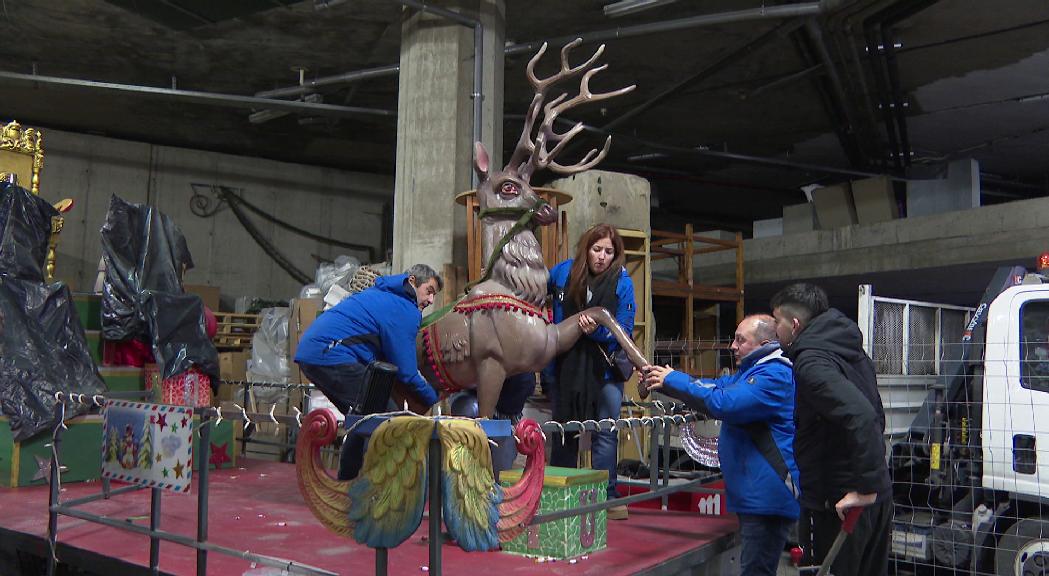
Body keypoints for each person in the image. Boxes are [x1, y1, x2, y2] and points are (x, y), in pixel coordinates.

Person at [642, 314, 799, 576]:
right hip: (756, 495)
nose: (733, 346)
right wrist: (666, 381)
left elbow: (724, 402)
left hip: (767, 497)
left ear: (764, 344)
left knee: (757, 571)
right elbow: (712, 387)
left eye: (741, 340)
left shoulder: (774, 376)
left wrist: (674, 380)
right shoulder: (751, 372)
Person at [769, 283, 892, 576]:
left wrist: (865, 488)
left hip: (841, 502)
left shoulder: (811, 362)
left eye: (777, 322)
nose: (775, 330)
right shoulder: (848, 349)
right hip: (871, 498)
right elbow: (874, 412)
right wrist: (874, 484)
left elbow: (862, 416)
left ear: (795, 324)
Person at [294, 264, 443, 480]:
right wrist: (434, 397)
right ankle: (382, 487)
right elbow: (407, 373)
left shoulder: (379, 294)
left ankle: (349, 480)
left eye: (434, 295)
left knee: (362, 415)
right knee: (390, 421)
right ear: (412, 281)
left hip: (314, 354)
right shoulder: (404, 309)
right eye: (429, 291)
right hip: (332, 355)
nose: (430, 301)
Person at [547, 223, 635, 520]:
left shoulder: (622, 282)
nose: (602, 256)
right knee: (564, 432)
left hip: (606, 371)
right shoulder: (563, 273)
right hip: (566, 368)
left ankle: (606, 496)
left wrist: (595, 333)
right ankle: (560, 493)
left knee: (606, 434)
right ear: (586, 248)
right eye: (597, 249)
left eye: (609, 251)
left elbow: (624, 329)